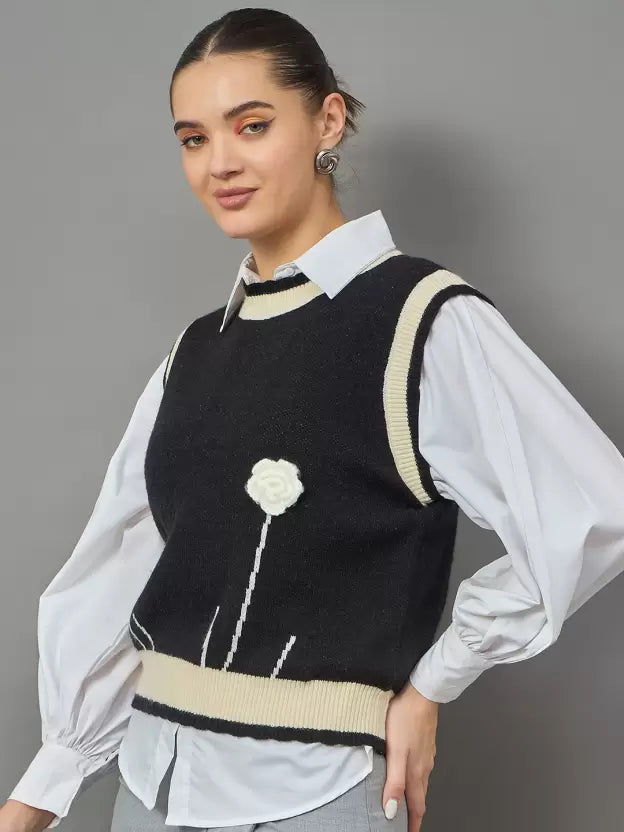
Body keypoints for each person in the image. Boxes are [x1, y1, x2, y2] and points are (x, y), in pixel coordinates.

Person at [2, 7, 624, 832]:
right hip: (150, 787)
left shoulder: (421, 319)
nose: (220, 163)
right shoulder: (197, 350)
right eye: (193, 139)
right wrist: (43, 788)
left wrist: (432, 684)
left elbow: (594, 510)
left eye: (252, 126)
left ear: (327, 120)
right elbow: (121, 564)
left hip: (315, 797)